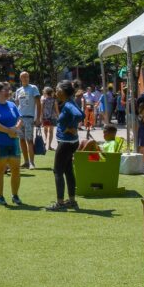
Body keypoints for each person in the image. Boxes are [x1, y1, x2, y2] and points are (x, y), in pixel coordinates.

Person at [47, 81, 83, 211]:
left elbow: (79, 115)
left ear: (62, 91)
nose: (55, 92)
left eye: (57, 90)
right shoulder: (71, 102)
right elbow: (81, 114)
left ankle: (60, 203)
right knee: (68, 171)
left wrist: (71, 127)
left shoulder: (68, 104)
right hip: (72, 142)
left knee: (57, 171)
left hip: (66, 143)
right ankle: (72, 201)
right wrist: (72, 127)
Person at [0, 82, 23, 206]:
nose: (8, 92)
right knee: (0, 170)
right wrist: (9, 131)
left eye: (9, 90)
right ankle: (0, 197)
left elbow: (20, 118)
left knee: (16, 170)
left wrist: (16, 129)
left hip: (13, 142)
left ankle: (15, 195)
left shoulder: (12, 105)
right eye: (5, 90)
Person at [14, 71, 42, 169]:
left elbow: (38, 104)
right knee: (21, 140)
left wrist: (38, 118)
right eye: (23, 77)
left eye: (27, 77)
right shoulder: (18, 90)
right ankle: (26, 162)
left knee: (29, 140)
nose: (25, 78)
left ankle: (32, 163)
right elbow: (17, 105)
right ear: (20, 78)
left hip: (30, 118)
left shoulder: (33, 88)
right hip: (20, 119)